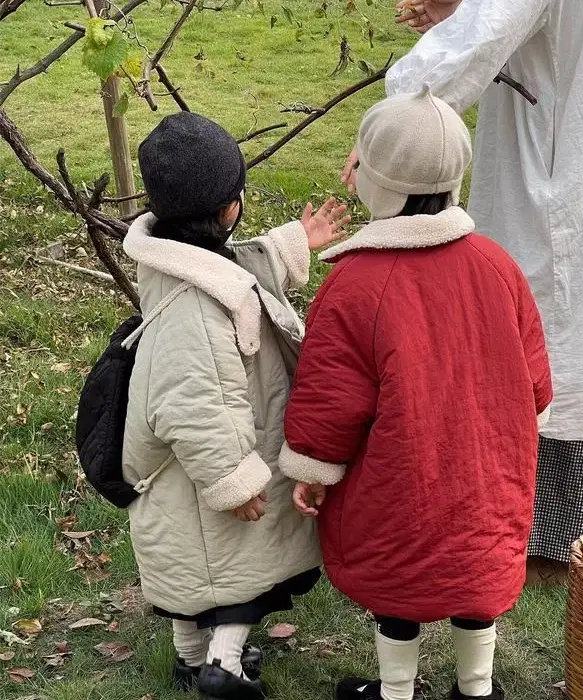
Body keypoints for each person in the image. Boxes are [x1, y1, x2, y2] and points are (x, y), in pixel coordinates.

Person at [342, 0, 583, 582]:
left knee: (554, 329)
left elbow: (487, 31)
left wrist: (392, 128)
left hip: (564, 158)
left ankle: (555, 532)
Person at [280, 89, 553, 700]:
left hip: (401, 479)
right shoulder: (497, 265)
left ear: (377, 186)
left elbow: (330, 395)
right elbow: (536, 383)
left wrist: (313, 467)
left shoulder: (355, 285)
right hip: (486, 473)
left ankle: (396, 691)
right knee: (474, 563)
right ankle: (476, 687)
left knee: (399, 570)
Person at [121, 111, 349, 700]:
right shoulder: (190, 308)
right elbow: (191, 401)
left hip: (186, 472)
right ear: (229, 208)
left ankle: (191, 659)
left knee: (202, 567)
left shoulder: (177, 261)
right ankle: (223, 667)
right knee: (238, 570)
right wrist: (232, 479)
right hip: (216, 464)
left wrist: (296, 241)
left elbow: (237, 266)